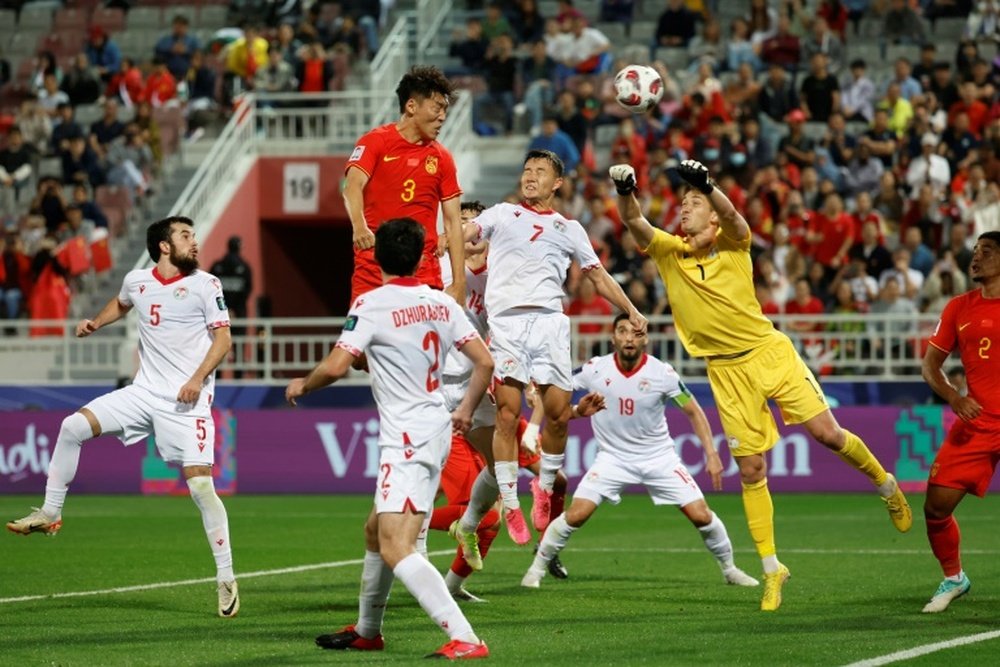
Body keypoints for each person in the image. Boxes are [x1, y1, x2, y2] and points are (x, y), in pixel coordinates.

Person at [608, 158, 912, 611]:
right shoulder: (669, 252)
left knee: (827, 434)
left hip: (769, 354)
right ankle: (773, 569)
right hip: (725, 372)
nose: (683, 210)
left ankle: (886, 484)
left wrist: (708, 186)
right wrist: (625, 188)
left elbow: (733, 216)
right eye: (683, 203)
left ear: (710, 213)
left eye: (693, 203)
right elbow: (633, 219)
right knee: (751, 470)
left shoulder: (735, 243)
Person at [6, 216, 240, 617]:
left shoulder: (206, 284)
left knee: (201, 488)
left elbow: (224, 338)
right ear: (164, 246)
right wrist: (96, 321)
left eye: (193, 235)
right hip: (143, 393)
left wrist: (197, 380)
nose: (195, 242)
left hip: (187, 403)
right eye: (186, 236)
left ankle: (226, 578)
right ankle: (50, 513)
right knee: (72, 426)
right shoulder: (137, 280)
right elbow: (124, 302)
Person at [285, 218, 492, 659]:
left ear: (375, 255)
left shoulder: (372, 303)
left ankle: (466, 637)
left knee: (397, 545)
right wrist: (466, 410)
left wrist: (304, 384)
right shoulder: (442, 303)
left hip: (407, 437)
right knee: (375, 529)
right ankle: (367, 629)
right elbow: (485, 362)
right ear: (421, 256)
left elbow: (339, 365)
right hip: (435, 425)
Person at [454, 149, 647, 551]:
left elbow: (597, 276)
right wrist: (444, 239)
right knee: (508, 415)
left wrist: (629, 308)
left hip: (550, 323)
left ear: (556, 183)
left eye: (540, 171)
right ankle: (510, 504)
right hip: (506, 323)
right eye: (526, 170)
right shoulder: (502, 214)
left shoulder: (568, 227)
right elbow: (468, 234)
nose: (530, 177)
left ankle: (544, 489)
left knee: (558, 414)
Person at [522, 313, 760, 589]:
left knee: (701, 515)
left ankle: (730, 569)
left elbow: (694, 412)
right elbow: (554, 396)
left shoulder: (663, 374)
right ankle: (535, 571)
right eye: (622, 331)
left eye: (636, 333)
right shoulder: (594, 369)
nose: (629, 338)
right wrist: (534, 390)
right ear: (613, 337)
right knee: (577, 514)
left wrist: (712, 454)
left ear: (645, 339)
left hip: (659, 457)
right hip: (612, 459)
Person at [920, 231, 1000, 613]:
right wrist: (954, 397)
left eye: (987, 251)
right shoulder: (958, 307)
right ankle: (954, 577)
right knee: (936, 507)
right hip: (979, 421)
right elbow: (930, 366)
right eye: (974, 251)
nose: (976, 257)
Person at [344, 65, 466, 307]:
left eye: (445, 110)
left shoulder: (443, 158)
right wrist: (359, 227)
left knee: (423, 344)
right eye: (437, 108)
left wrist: (459, 282)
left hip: (422, 272)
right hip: (373, 268)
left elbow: (453, 221)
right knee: (361, 344)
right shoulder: (375, 142)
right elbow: (352, 187)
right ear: (411, 106)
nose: (443, 116)